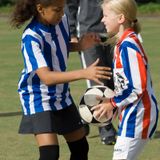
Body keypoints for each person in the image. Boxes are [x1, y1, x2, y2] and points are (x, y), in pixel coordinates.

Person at [10, 0, 113, 160]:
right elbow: (46, 77)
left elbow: (59, 45)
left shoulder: (60, 20)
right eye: (57, 10)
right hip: (38, 97)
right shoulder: (31, 37)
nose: (62, 14)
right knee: (50, 154)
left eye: (63, 9)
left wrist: (80, 45)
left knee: (80, 148)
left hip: (61, 94)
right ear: (40, 9)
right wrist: (84, 73)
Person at [91, 0, 159, 159]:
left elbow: (137, 87)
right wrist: (114, 102)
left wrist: (112, 103)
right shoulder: (122, 44)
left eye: (106, 15)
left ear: (121, 18)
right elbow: (126, 84)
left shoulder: (128, 45)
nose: (102, 20)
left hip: (139, 115)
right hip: (132, 113)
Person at [65, 0, 117, 145]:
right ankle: (105, 128)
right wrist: (72, 32)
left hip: (114, 32)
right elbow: (70, 5)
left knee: (115, 81)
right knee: (98, 81)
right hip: (88, 33)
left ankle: (83, 117)